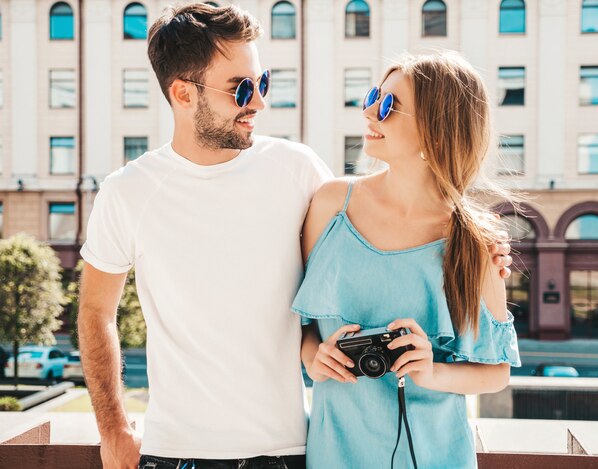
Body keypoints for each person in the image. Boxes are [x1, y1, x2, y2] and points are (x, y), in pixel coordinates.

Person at [77, 4, 513, 469]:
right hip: (171, 452)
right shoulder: (127, 192)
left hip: (287, 452)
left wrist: (477, 245)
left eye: (262, 83)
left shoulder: (299, 172)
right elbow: (95, 312)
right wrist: (113, 430)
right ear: (183, 94)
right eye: (242, 88)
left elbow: (327, 295)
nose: (259, 102)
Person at [293, 52, 522, 469]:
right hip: (335, 452)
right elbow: (299, 327)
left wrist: (431, 371)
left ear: (437, 130)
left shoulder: (475, 241)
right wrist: (315, 358)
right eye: (373, 97)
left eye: (388, 106)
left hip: (437, 455)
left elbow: (496, 372)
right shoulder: (330, 204)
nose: (368, 112)